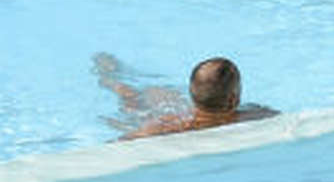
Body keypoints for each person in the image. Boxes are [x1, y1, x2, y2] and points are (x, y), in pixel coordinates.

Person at [96, 53, 276, 139]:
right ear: (233, 99)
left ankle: (109, 76)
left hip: (171, 115)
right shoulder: (256, 115)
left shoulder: (168, 126)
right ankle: (113, 80)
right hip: (170, 111)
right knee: (138, 97)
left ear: (191, 95)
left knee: (137, 98)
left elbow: (121, 142)